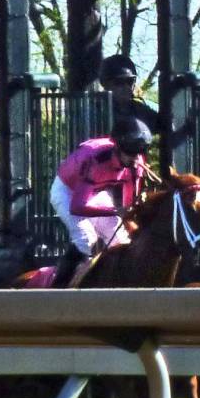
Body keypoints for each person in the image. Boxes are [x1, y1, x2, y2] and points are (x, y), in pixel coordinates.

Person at [49, 117, 153, 285]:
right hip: (67, 191)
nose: (135, 159)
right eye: (130, 153)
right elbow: (77, 207)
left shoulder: (136, 160)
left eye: (138, 153)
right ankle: (59, 288)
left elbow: (128, 205)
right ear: (118, 147)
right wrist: (115, 211)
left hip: (94, 191)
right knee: (85, 239)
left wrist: (129, 213)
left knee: (121, 240)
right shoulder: (96, 161)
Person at [100, 54, 162, 138]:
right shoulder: (94, 111)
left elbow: (166, 124)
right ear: (105, 84)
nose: (126, 87)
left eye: (130, 81)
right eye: (119, 82)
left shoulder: (141, 109)